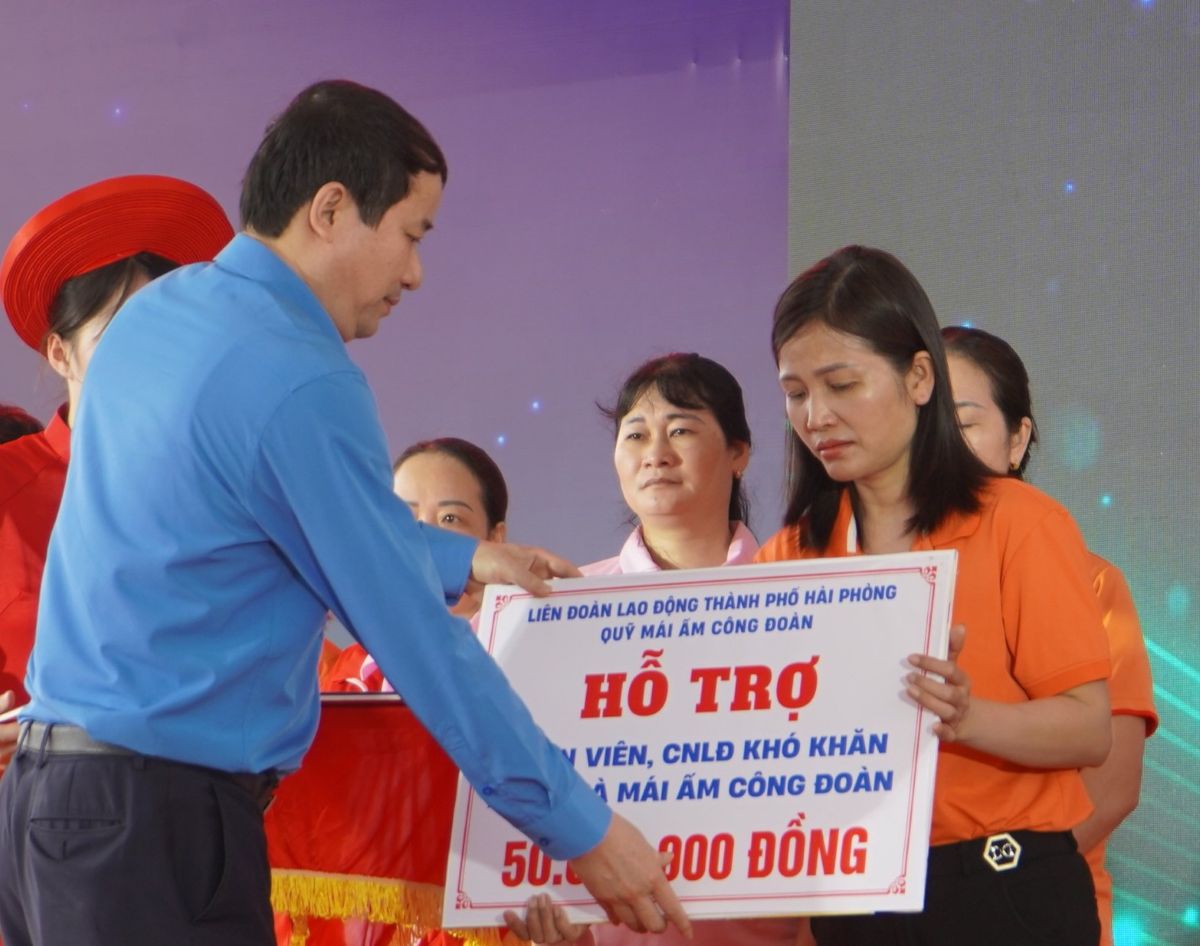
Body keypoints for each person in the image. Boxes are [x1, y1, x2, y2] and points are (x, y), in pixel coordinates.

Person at [0, 80, 687, 946]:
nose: (415, 273)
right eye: (411, 234)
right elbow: (417, 642)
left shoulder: (156, 319)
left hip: (46, 810)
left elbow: (263, 517)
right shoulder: (298, 374)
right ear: (329, 209)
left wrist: (465, 558)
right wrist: (586, 832)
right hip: (156, 828)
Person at [753, 246, 1111, 946]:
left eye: (842, 384)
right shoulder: (789, 554)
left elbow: (1088, 728)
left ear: (920, 377)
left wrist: (968, 716)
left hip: (1005, 890)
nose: (816, 415)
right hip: (853, 898)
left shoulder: (1018, 522)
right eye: (796, 394)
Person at [507, 353, 801, 946]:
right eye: (636, 434)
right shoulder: (559, 609)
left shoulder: (801, 600)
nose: (656, 453)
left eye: (682, 430)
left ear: (739, 453)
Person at [0, 175, 234, 777]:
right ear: (60, 353)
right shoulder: (7, 485)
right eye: (118, 337)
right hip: (28, 805)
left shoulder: (214, 496)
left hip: (190, 798)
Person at [942, 324, 1157, 946]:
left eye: (965, 423)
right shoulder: (879, 577)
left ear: (1018, 440)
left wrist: (997, 881)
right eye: (924, 426)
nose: (941, 446)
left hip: (1028, 910)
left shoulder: (1093, 582)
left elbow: (1112, 788)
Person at [323, 436, 510, 691]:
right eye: (405, 518)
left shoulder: (537, 652)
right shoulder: (346, 678)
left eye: (450, 518)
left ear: (495, 538)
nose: (425, 538)